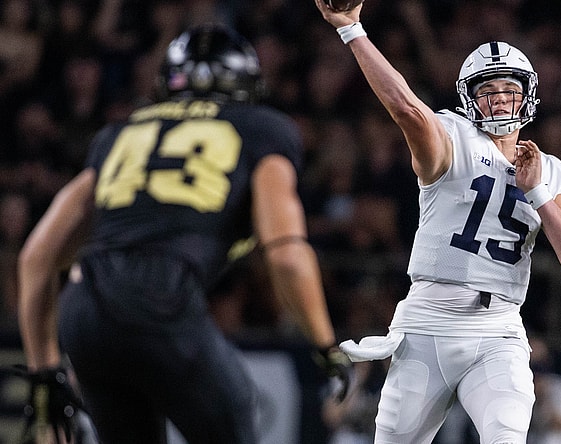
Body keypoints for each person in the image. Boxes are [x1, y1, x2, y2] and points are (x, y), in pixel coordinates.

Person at [16, 23, 351, 444]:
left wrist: (44, 373)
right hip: (161, 298)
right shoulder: (262, 129)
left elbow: (37, 257)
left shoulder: (122, 131)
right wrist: (326, 345)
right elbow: (285, 253)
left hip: (85, 309)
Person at [314, 2, 561, 443]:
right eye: (488, 89)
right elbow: (407, 109)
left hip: (499, 327)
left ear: (528, 95)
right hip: (429, 321)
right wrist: (353, 31)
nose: (499, 98)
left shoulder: (551, 170)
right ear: (470, 99)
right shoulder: (453, 138)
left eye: (509, 88)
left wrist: (538, 193)